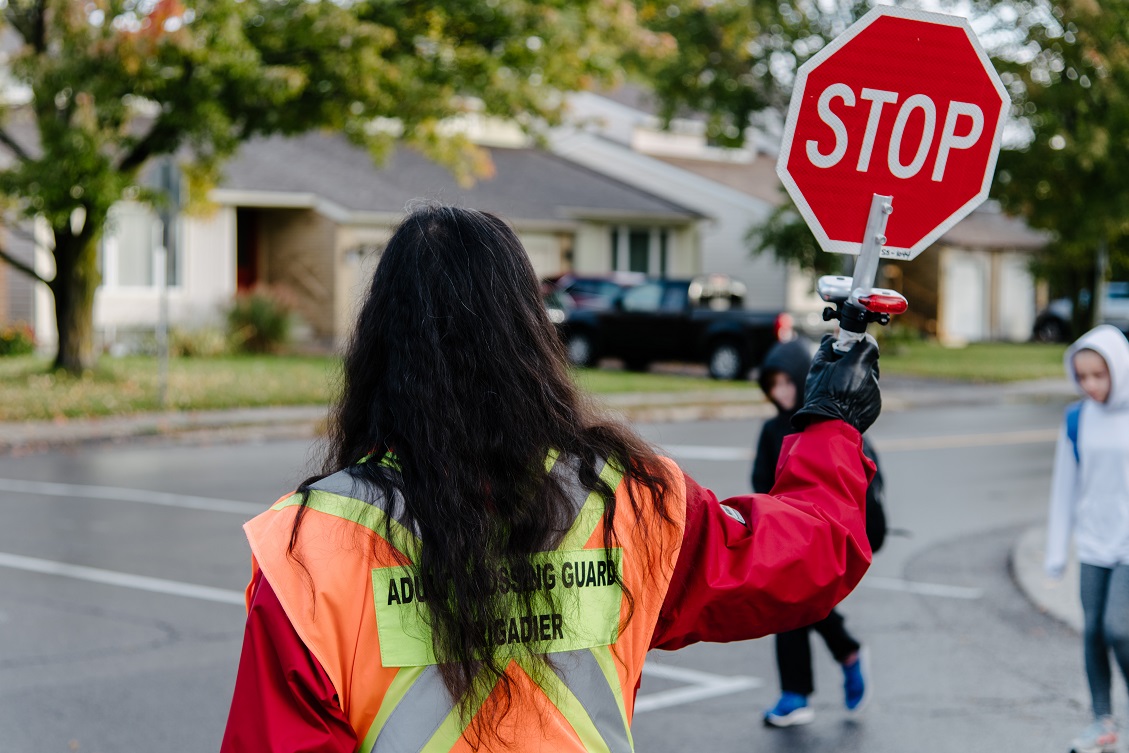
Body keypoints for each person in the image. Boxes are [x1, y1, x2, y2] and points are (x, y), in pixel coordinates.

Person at [220, 205, 881, 752]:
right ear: (528, 332)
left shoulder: (309, 545)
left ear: (379, 347)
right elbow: (806, 553)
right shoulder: (624, 499)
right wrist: (829, 418)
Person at [752, 339, 887, 727]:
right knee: (792, 604)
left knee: (796, 604)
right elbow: (761, 483)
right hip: (784, 532)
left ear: (802, 379)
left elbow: (861, 483)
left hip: (831, 532)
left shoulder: (829, 424)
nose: (780, 393)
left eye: (787, 383)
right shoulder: (769, 430)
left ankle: (808, 684)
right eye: (772, 385)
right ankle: (832, 665)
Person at [1045, 324, 1129, 753]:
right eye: (1082, 376)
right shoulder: (1078, 419)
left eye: (1100, 375)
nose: (1090, 385)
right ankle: (1102, 721)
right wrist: (1056, 553)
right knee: (1093, 631)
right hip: (1095, 544)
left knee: (1120, 628)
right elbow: (1065, 488)